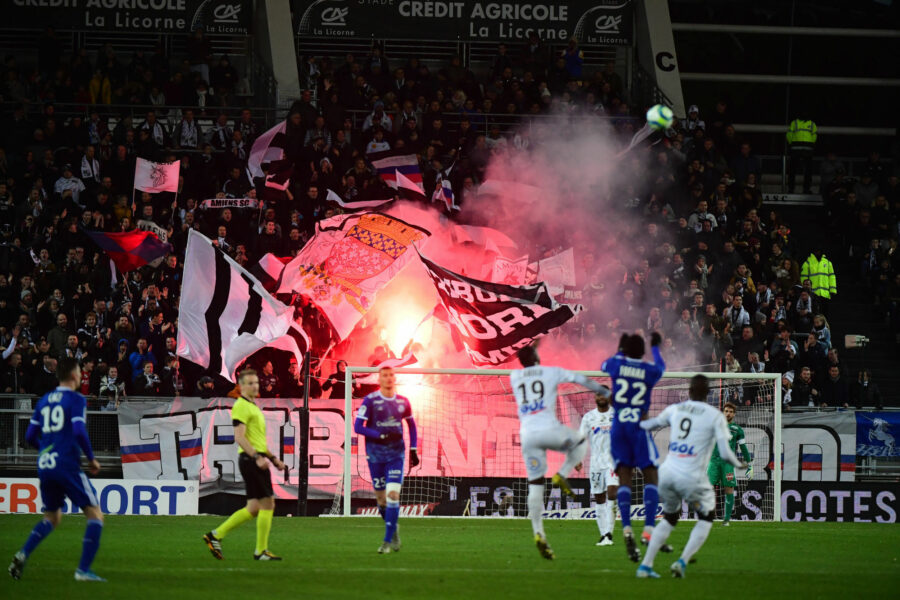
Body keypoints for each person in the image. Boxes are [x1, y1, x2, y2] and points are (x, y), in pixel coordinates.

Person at [636, 375, 748, 578]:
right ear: (708, 393)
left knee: (670, 518)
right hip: (691, 477)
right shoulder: (715, 416)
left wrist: (634, 419)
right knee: (706, 517)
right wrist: (739, 463)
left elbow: (648, 425)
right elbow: (724, 453)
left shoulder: (675, 409)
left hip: (667, 474)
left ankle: (645, 566)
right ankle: (681, 562)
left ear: (689, 391)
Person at [8, 358, 106, 582]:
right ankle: (83, 571)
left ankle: (23, 553)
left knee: (52, 517)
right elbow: (79, 431)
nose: (81, 375)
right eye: (80, 371)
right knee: (95, 515)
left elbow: (30, 436)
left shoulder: (44, 401)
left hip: (45, 465)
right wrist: (91, 459)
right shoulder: (76, 399)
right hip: (66, 464)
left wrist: (45, 450)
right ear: (74, 375)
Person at [510, 344, 608, 560]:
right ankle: (562, 473)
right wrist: (600, 389)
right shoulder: (551, 372)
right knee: (581, 443)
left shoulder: (514, 376)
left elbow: (528, 366)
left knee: (535, 485)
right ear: (536, 356)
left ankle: (538, 533)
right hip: (549, 431)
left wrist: (530, 351)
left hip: (528, 436)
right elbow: (580, 379)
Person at [203, 370, 286, 561]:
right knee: (267, 504)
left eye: (256, 382)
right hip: (250, 460)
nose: (254, 386)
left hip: (252, 459)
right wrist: (257, 457)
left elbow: (257, 440)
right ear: (241, 386)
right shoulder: (241, 405)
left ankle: (215, 535)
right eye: (249, 383)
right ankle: (260, 551)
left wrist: (273, 459)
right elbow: (239, 437)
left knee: (254, 507)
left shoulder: (253, 407)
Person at [602, 332, 665, 562]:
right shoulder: (650, 370)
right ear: (643, 352)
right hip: (638, 426)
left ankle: (627, 528)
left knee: (624, 479)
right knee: (651, 474)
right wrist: (656, 347)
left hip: (618, 427)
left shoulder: (616, 364)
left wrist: (620, 349)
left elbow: (605, 364)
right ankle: (648, 528)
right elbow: (661, 366)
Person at [353, 366, 419, 554]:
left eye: (391, 375)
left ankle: (387, 540)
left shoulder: (403, 401)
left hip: (396, 455)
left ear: (394, 378)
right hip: (375, 455)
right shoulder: (371, 400)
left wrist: (413, 449)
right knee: (381, 501)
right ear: (379, 379)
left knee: (393, 496)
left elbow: (412, 426)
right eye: (385, 376)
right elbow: (358, 426)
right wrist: (379, 435)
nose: (388, 378)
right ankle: (393, 529)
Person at [577, 387, 618, 546]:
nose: (601, 397)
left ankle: (609, 532)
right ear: (595, 397)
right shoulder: (589, 417)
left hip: (613, 461)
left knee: (612, 493)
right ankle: (604, 535)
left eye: (604, 394)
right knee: (599, 498)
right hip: (595, 463)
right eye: (598, 394)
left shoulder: (617, 415)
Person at [706, 402, 752, 526]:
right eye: (726, 411)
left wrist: (750, 464)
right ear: (723, 412)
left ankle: (726, 520)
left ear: (734, 414)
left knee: (729, 489)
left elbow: (743, 448)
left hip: (728, 463)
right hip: (714, 461)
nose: (728, 413)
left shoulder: (738, 430)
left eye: (731, 412)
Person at [786, 113, 817, 193]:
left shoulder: (811, 123)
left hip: (803, 149)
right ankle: (792, 189)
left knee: (807, 171)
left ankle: (803, 189)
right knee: (793, 170)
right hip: (800, 149)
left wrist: (792, 143)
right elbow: (789, 134)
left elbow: (815, 135)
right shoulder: (795, 122)